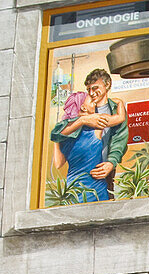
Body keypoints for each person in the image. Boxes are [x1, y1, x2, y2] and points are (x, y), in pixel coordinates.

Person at [50, 70, 129, 201]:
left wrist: (111, 162)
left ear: (107, 85)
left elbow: (119, 138)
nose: (92, 93)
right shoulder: (86, 112)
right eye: (89, 90)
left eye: (95, 88)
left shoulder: (112, 108)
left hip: (106, 169)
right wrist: (83, 120)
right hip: (87, 173)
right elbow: (59, 133)